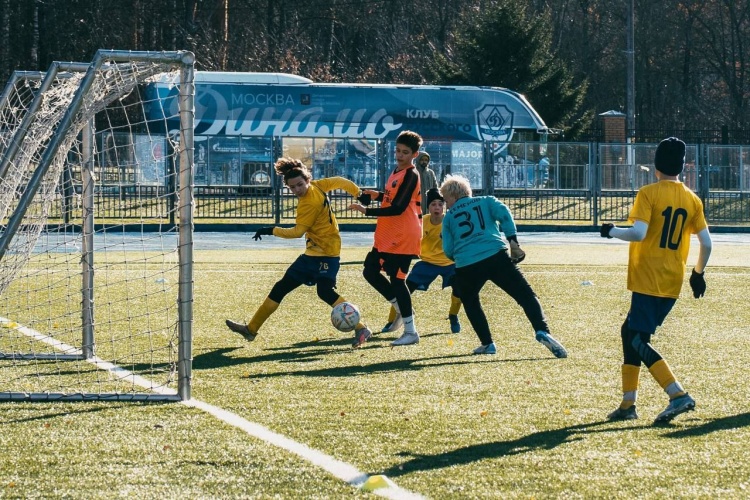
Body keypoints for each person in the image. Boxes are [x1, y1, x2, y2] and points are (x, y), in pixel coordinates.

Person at [600, 137, 712, 424]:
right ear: (683, 166)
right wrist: (698, 274)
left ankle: (677, 394)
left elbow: (638, 233)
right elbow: (707, 243)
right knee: (630, 333)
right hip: (672, 280)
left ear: (655, 164)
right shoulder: (692, 198)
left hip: (648, 277)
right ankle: (628, 404)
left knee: (635, 338)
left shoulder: (649, 192)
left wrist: (611, 231)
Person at [225, 157, 372, 345]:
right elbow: (341, 182)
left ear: (308, 180)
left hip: (326, 252)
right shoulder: (319, 185)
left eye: (300, 185)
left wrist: (271, 230)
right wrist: (358, 193)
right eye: (292, 187)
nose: (297, 190)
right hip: (313, 253)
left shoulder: (308, 203)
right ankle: (251, 329)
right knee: (282, 287)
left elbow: (297, 232)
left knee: (325, 291)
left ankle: (361, 328)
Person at [439, 173, 568, 358]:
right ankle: (542, 330)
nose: (446, 204)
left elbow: (448, 250)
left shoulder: (449, 217)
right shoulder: (486, 201)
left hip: (466, 265)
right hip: (495, 255)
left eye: (445, 200)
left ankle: (487, 343)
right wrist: (512, 239)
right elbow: (504, 214)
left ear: (451, 196)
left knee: (471, 302)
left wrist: (460, 254)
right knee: (525, 295)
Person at [349, 130, 423, 347]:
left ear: (414, 155)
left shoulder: (412, 174)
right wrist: (376, 195)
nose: (400, 155)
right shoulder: (397, 170)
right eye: (398, 150)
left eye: (405, 152)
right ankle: (401, 310)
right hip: (388, 234)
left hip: (403, 235)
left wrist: (366, 211)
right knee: (370, 270)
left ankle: (411, 332)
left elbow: (399, 207)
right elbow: (393, 199)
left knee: (398, 281)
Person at [381, 187, 463, 335]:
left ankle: (453, 316)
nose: (437, 207)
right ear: (428, 207)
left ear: (444, 206)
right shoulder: (421, 221)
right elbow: (407, 237)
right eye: (433, 204)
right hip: (427, 263)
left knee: (460, 288)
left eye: (440, 204)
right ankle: (392, 320)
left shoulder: (450, 221)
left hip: (449, 263)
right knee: (402, 289)